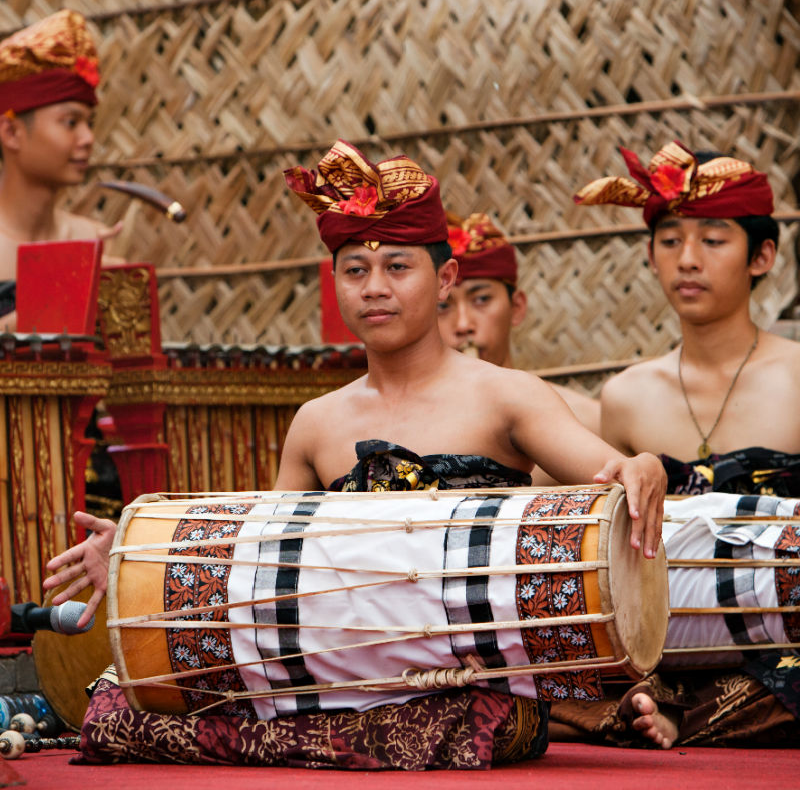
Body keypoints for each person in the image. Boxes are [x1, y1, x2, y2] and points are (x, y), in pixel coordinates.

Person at [46, 140, 666, 768]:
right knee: (116, 706)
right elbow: (259, 573)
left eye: (399, 268)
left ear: (444, 278)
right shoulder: (316, 422)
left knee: (468, 720)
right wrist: (132, 569)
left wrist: (641, 467)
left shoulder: (506, 397)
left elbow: (607, 472)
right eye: (355, 270)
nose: (375, 288)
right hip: (343, 672)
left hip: (467, 685)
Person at [546, 140, 800, 749]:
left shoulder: (797, 377)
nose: (688, 259)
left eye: (713, 241)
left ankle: (683, 720)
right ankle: (654, 708)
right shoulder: (628, 395)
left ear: (761, 255)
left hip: (784, 646)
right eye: (669, 241)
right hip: (669, 644)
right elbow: (605, 548)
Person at [437, 211, 600, 454]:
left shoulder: (586, 424)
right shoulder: (406, 430)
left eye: (481, 299)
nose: (463, 324)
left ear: (516, 307)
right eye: (443, 306)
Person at [0, 9, 122, 329]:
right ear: (11, 133)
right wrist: (63, 295)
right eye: (70, 123)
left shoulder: (91, 239)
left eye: (89, 123)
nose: (88, 139)